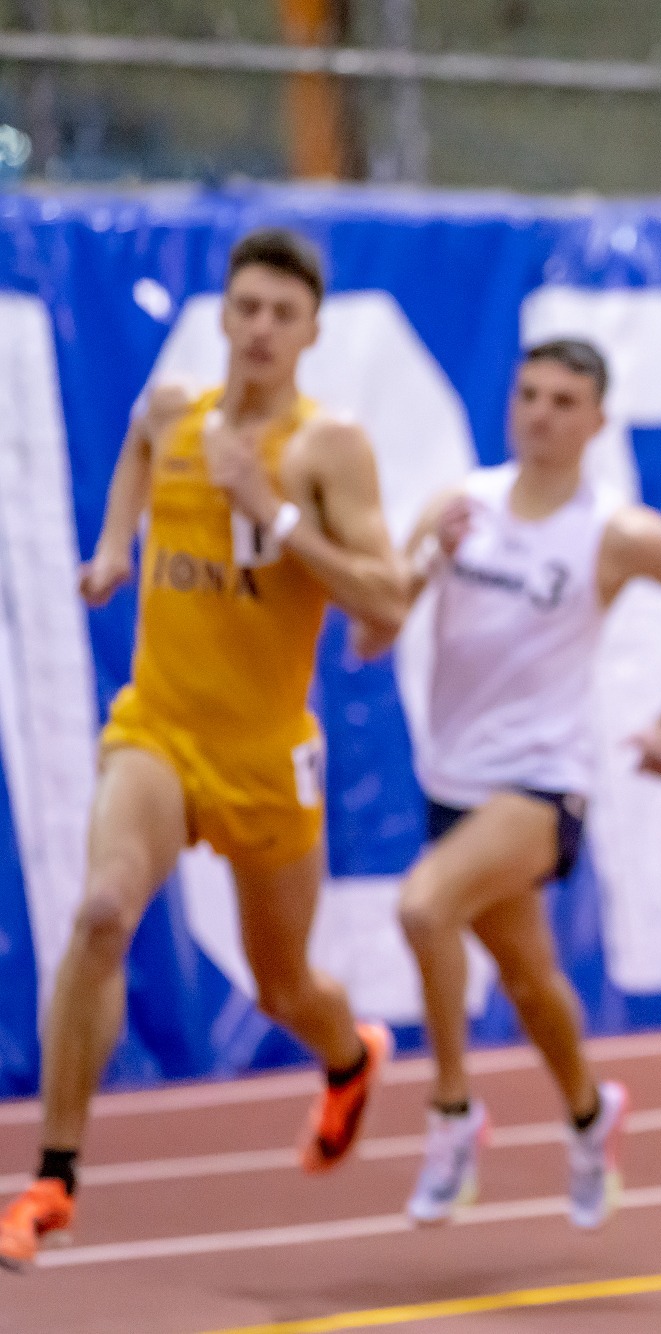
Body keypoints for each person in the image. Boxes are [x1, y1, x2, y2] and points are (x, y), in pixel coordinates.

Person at [1, 229, 412, 1270]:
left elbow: (387, 599)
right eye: (247, 308)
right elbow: (139, 448)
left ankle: (347, 1056)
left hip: (267, 759)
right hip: (158, 729)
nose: (261, 328)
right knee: (101, 913)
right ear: (223, 316)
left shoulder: (328, 447)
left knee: (284, 987)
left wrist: (272, 511)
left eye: (283, 313)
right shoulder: (174, 411)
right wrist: (113, 546)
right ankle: (52, 1178)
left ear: (311, 331)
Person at [388, 339, 661, 1229]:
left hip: (543, 784)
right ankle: (590, 1113)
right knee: (530, 981)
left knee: (424, 908)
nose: (541, 413)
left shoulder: (615, 532)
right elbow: (373, 630)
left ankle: (451, 1112)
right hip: (452, 782)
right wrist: (424, 561)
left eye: (563, 401)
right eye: (530, 394)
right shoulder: (459, 505)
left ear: (597, 421)